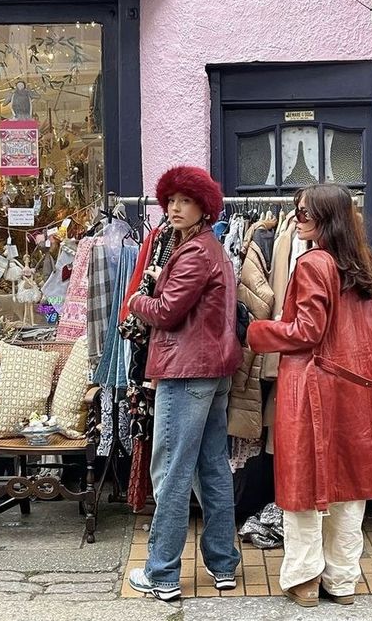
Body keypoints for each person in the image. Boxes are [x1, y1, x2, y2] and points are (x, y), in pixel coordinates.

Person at [247, 183, 372, 608]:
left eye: (305, 212)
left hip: (313, 385)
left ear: (328, 218)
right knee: (349, 487)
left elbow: (306, 332)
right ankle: (343, 580)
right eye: (297, 211)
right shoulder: (363, 264)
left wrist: (257, 331)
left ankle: (304, 579)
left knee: (303, 486)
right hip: (356, 386)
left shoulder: (314, 262)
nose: (297, 218)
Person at [127, 166, 243, 601]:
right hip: (212, 370)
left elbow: (166, 312)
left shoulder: (195, 253)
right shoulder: (208, 249)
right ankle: (223, 565)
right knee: (212, 466)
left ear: (203, 207)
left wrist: (137, 298)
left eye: (185, 201)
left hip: (186, 371)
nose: (174, 208)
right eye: (170, 200)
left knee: (172, 470)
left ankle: (162, 574)